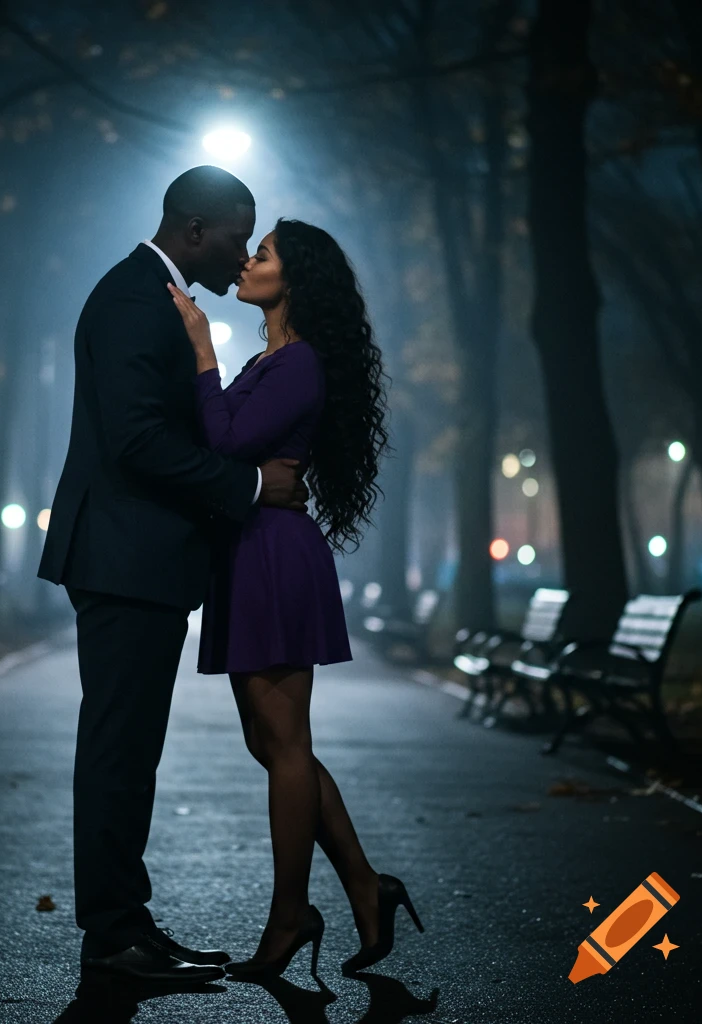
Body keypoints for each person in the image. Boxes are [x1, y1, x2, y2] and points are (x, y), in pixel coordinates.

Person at [37, 166, 309, 984]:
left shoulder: (159, 299)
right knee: (119, 750)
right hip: (125, 558)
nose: (241, 255)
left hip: (136, 558)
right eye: (237, 234)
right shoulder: (132, 299)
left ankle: (127, 926)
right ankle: (114, 936)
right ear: (194, 228)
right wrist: (255, 487)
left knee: (127, 750)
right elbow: (138, 442)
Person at [168, 218, 424, 980]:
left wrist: (205, 352)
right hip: (252, 553)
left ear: (295, 280)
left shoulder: (299, 365)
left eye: (264, 254)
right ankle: (362, 886)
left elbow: (223, 443)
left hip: (274, 555)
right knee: (275, 746)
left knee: (284, 747)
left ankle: (290, 915)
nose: (247, 261)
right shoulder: (272, 360)